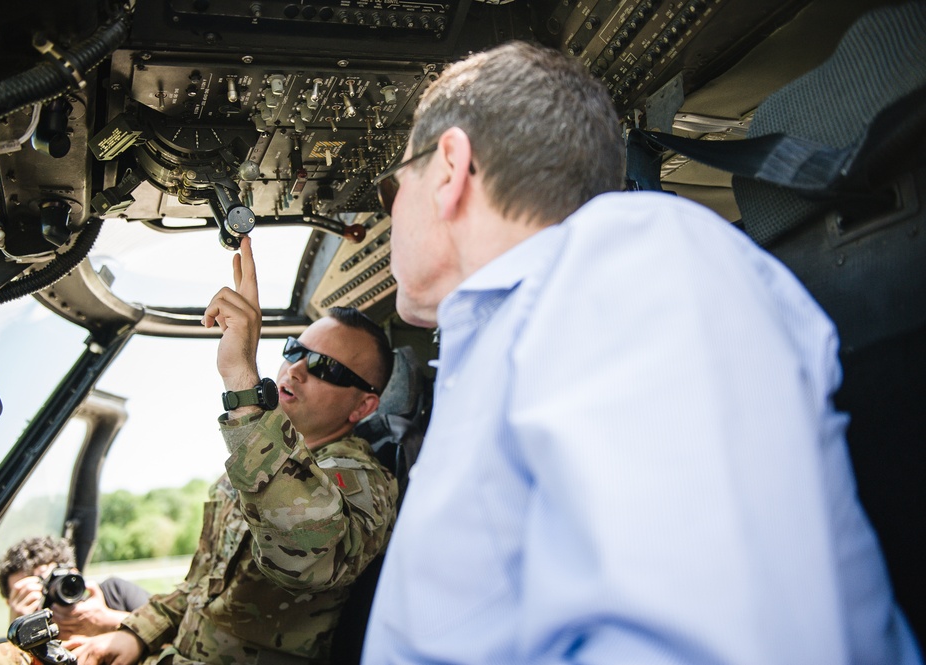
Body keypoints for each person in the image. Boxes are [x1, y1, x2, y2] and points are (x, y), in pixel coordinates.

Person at [362, 40, 923, 664]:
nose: (392, 216)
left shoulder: (625, 267)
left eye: (394, 186)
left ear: (448, 169)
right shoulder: (530, 328)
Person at [73, 235, 398, 665]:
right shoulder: (256, 458)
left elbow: (310, 558)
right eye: (295, 350)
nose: (297, 368)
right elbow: (202, 585)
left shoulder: (363, 475)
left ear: (363, 405)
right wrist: (136, 634)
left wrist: (243, 383)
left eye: (326, 367)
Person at [0, 535, 149, 665]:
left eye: (55, 582)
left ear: (74, 575)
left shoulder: (114, 593)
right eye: (32, 591)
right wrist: (22, 636)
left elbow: (171, 631)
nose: (53, 595)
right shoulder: (8, 657)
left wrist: (109, 620)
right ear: (11, 603)